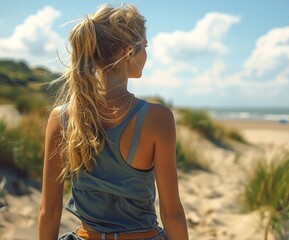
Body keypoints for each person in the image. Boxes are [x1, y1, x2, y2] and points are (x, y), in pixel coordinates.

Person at [38, 4, 188, 240]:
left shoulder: (62, 117)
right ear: (128, 51)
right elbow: (172, 213)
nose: (146, 55)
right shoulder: (157, 118)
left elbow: (49, 211)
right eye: (144, 47)